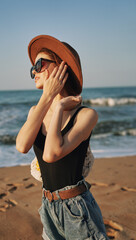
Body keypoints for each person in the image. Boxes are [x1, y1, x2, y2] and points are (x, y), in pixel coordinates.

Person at [16, 35, 109, 240]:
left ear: (61, 67)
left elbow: (51, 153)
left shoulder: (86, 115)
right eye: (32, 68)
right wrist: (48, 98)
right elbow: (22, 145)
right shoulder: (36, 112)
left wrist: (57, 106)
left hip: (78, 209)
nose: (34, 72)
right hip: (47, 206)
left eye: (39, 65)